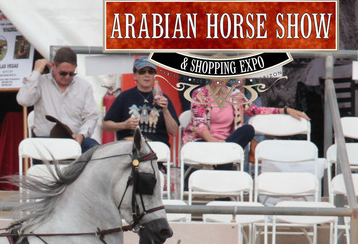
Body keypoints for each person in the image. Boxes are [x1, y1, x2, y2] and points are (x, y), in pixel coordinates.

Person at [181, 76, 310, 163]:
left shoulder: (235, 95)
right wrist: (216, 144)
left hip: (229, 144)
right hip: (204, 143)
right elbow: (200, 124)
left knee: (248, 129)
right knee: (228, 156)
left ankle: (224, 161)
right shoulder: (200, 94)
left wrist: (285, 110)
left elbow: (256, 110)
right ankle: (223, 163)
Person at [17, 46, 100, 152]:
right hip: (45, 141)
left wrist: (82, 135)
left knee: (96, 149)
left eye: (72, 73)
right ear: (53, 66)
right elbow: (23, 100)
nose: (67, 77)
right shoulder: (41, 82)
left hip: (74, 140)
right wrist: (37, 71)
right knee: (35, 147)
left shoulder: (84, 86)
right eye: (63, 73)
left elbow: (91, 117)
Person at [101, 56, 179, 147]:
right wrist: (124, 125)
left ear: (154, 75)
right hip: (130, 144)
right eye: (142, 71)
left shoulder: (163, 98)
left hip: (156, 145)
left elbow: (174, 132)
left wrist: (165, 111)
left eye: (150, 71)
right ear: (135, 75)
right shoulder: (124, 96)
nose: (147, 75)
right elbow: (105, 125)